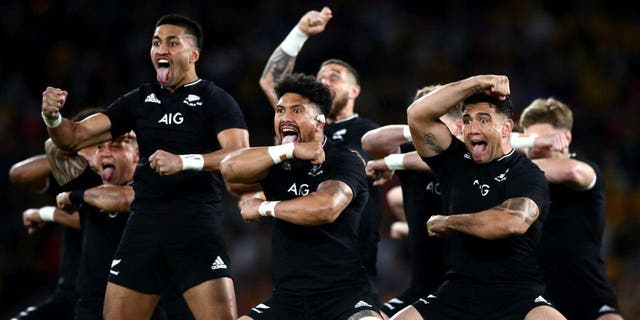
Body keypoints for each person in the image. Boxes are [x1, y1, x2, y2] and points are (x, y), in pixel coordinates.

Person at [41, 13, 249, 319]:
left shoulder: (216, 100)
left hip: (194, 227)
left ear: (193, 54)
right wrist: (52, 118)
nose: (161, 49)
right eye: (156, 43)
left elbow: (239, 156)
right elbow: (73, 137)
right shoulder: (139, 100)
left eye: (172, 42)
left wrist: (185, 162)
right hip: (144, 228)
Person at [392, 75, 565, 319]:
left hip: (516, 294)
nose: (473, 129)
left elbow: (511, 222)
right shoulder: (453, 161)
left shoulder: (528, 174)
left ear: (506, 128)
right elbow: (417, 115)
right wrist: (478, 82)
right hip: (458, 291)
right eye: (467, 120)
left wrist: (450, 221)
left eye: (483, 120)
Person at [221, 73, 382, 320]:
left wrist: (265, 207)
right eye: (280, 110)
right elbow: (229, 168)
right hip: (288, 299)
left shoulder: (344, 159)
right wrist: (290, 149)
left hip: (342, 297)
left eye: (296, 111)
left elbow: (325, 208)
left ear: (319, 122)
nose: (285, 117)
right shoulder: (277, 158)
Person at [259, 6, 384, 302]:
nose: (325, 80)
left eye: (335, 76)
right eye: (321, 76)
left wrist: (390, 162)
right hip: (298, 261)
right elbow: (270, 82)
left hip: (352, 260)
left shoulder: (368, 132)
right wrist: (299, 33)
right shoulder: (298, 127)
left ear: (355, 91)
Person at [361, 85, 462, 319]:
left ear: (458, 125)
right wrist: (417, 130)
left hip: (464, 290)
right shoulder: (410, 151)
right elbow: (370, 141)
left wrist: (394, 162)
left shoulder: (473, 155)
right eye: (423, 121)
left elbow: (444, 160)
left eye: (435, 119)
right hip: (421, 289)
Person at [520, 97, 624, 320]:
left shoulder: (585, 170)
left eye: (544, 143)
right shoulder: (516, 179)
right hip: (539, 301)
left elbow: (572, 172)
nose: (536, 150)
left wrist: (511, 162)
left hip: (591, 297)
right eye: (531, 144)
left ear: (565, 138)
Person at [9, 109, 104, 320]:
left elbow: (93, 219)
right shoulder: (72, 173)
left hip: (111, 300)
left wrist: (46, 213)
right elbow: (18, 174)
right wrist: (69, 156)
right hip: (69, 295)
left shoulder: (121, 175)